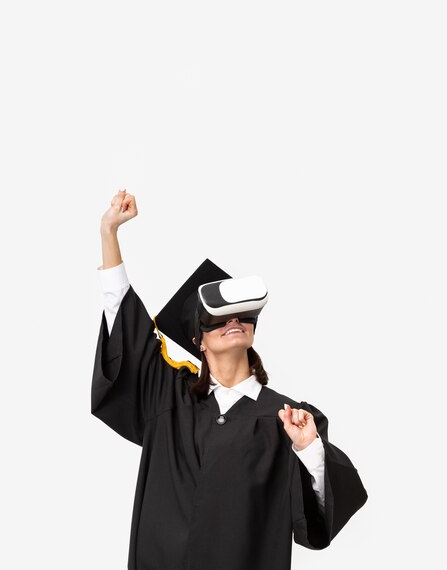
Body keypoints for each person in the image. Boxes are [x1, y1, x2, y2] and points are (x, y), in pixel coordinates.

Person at [91, 189, 368, 570]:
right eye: (218, 318)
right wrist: (109, 233)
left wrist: (309, 451)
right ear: (197, 340)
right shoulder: (167, 395)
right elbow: (124, 323)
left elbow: (316, 526)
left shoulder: (286, 420)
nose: (233, 321)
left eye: (244, 316)